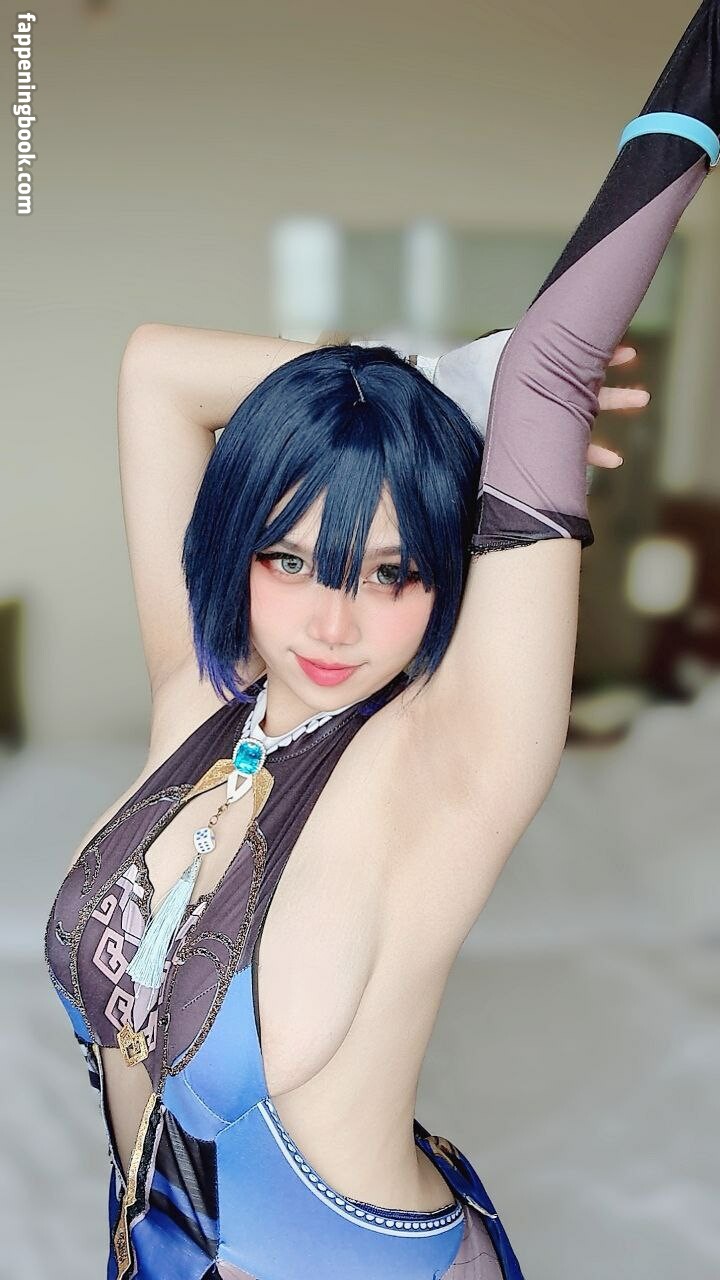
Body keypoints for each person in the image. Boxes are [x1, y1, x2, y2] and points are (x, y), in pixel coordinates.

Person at [44, 2, 718, 1276]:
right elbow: (154, 371)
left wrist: (461, 415)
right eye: (290, 558)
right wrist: (411, 392)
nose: (332, 621)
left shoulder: (444, 762)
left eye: (392, 571)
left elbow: (555, 362)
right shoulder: (201, 694)